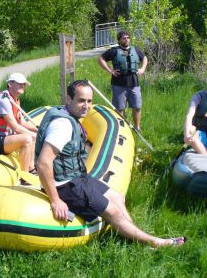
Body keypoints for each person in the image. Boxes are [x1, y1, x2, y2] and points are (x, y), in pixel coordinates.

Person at [35, 80, 185, 248]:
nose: (86, 106)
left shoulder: (69, 116)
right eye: (81, 100)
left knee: (117, 198)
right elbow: (43, 163)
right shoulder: (62, 125)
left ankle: (132, 234)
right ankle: (156, 243)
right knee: (112, 211)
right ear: (68, 99)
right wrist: (55, 200)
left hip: (76, 176)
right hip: (64, 185)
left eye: (89, 101)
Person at [0, 73, 37, 173]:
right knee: (28, 139)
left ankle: (31, 168)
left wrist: (39, 130)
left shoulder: (14, 99)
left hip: (3, 137)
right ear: (10, 84)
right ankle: (24, 176)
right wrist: (36, 135)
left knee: (33, 136)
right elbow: (16, 127)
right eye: (20, 83)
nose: (23, 86)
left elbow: (22, 123)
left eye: (24, 84)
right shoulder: (3, 100)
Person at [98, 30, 148, 131]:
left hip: (134, 84)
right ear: (119, 40)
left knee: (137, 107)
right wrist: (110, 70)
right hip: (118, 84)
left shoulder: (136, 50)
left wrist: (142, 69)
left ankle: (137, 128)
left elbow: (144, 58)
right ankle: (122, 129)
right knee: (120, 108)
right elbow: (101, 59)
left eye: (128, 38)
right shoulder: (113, 51)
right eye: (124, 38)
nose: (126, 39)